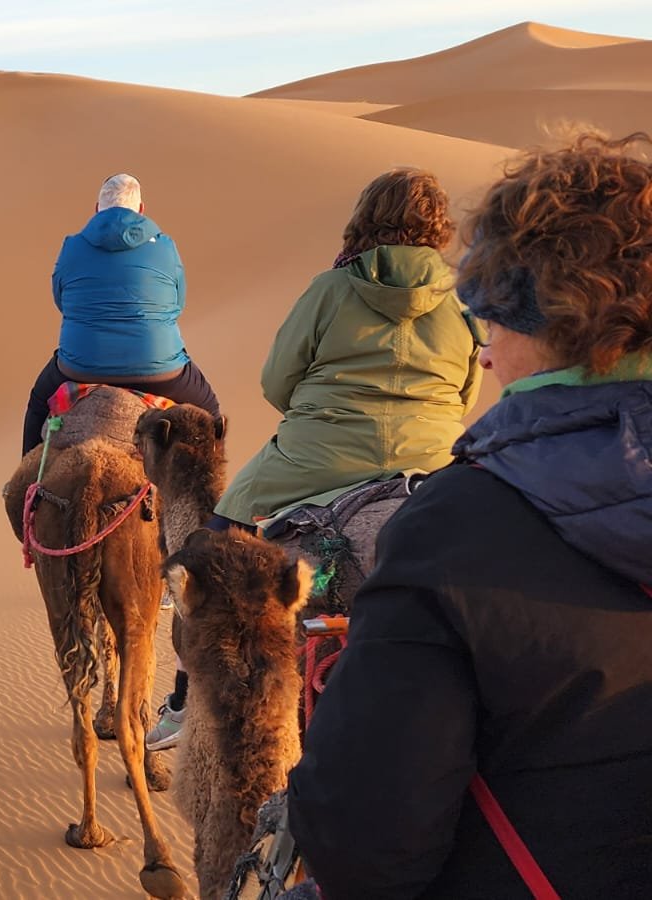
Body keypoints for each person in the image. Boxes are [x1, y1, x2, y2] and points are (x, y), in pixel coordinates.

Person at [286, 133, 652, 898]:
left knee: (223, 539)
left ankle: (187, 693)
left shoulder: (450, 532)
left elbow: (367, 847)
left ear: (545, 325)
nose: (486, 352)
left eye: (495, 320)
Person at [148, 168, 483, 753]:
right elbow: (464, 397)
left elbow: (276, 382)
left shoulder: (330, 289)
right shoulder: (461, 300)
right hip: (430, 463)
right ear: (438, 229)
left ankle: (185, 702)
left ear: (366, 218)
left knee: (208, 556)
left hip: (312, 461)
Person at [21, 173, 220, 457]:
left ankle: (24, 487)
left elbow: (61, 299)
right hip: (160, 370)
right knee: (210, 411)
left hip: (80, 365)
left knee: (38, 403)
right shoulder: (165, 246)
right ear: (141, 210)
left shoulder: (72, 246)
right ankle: (211, 498)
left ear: (96, 209)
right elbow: (178, 302)